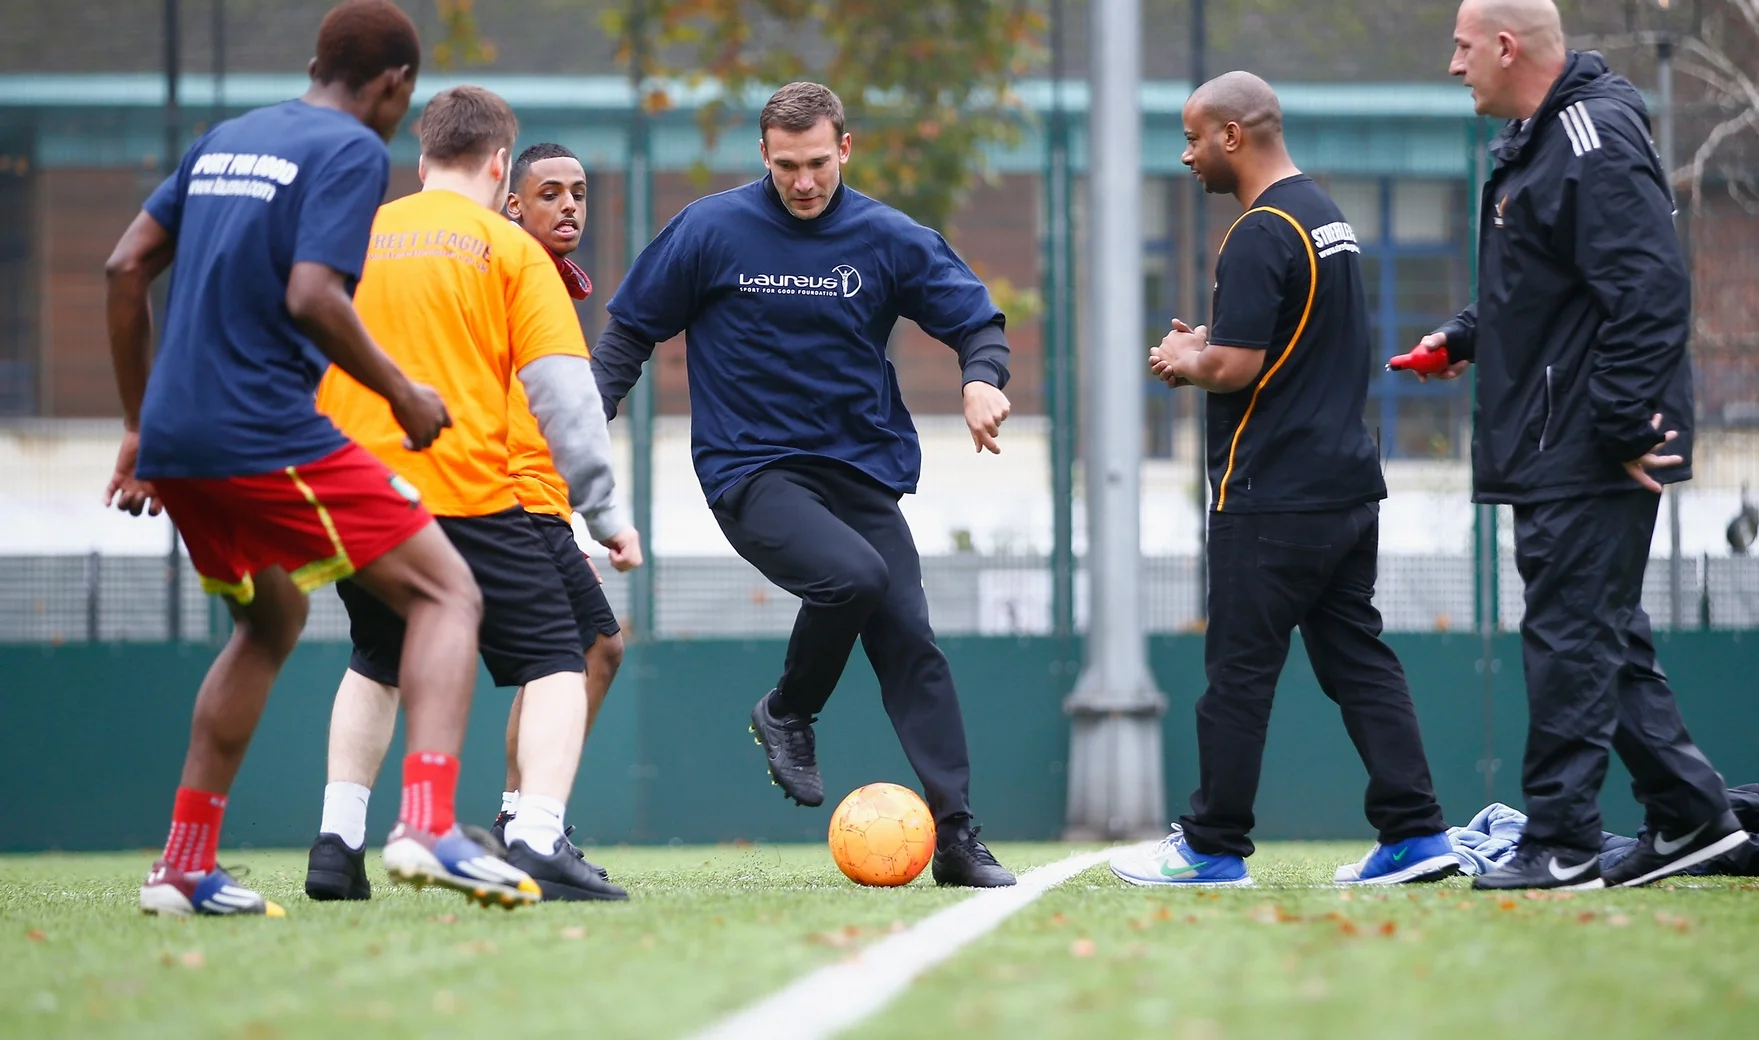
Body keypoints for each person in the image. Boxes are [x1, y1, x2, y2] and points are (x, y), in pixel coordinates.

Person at [105, 0, 540, 916]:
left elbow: (125, 266)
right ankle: (427, 824)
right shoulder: (349, 150)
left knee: (269, 622)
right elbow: (313, 295)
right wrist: (402, 391)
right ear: (396, 85)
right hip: (261, 429)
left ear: (314, 64)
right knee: (447, 593)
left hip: (179, 440)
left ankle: (182, 865)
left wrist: (140, 429)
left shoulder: (226, 139)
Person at [593, 81, 1016, 887]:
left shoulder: (888, 237)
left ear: (844, 149)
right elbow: (629, 335)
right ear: (763, 154)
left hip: (859, 470)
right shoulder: (709, 229)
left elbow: (976, 321)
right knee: (852, 576)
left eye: (818, 162)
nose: (803, 181)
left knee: (910, 642)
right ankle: (788, 710)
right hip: (751, 469)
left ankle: (959, 839)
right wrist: (582, 427)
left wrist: (980, 380)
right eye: (786, 165)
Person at [1399, 0, 1747, 890]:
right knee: (1598, 635)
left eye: (1461, 48)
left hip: (1591, 442)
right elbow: (1549, 287)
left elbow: (1649, 289)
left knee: (1568, 640)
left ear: (1504, 46)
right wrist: (1467, 334)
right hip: (1566, 436)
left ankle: (1560, 842)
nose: (1453, 65)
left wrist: (1624, 424)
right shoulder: (1539, 141)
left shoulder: (1589, 139)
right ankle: (1691, 817)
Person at [1109, 72, 1454, 889]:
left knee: (1236, 674)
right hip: (1344, 487)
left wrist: (1185, 357)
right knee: (1357, 661)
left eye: (1193, 138)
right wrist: (1218, 342)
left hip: (1271, 496)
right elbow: (1289, 343)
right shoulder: (1326, 217)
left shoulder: (1258, 231)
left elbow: (1235, 367)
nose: (1186, 155)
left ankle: (1211, 845)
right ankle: (1415, 834)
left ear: (1231, 135)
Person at [302, 88, 631, 904]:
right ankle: (536, 837)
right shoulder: (508, 249)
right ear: (499, 167)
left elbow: (297, 347)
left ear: (420, 161)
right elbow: (566, 396)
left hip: (353, 487)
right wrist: (605, 513)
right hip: (465, 488)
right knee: (559, 657)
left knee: (377, 658)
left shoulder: (356, 235)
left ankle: (336, 844)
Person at [488, 143, 638, 854]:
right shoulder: (513, 271)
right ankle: (528, 823)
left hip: (536, 498)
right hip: (517, 495)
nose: (569, 205)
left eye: (577, 192)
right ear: (513, 204)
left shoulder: (539, 275)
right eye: (549, 193)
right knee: (592, 648)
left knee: (568, 654)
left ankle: (518, 819)